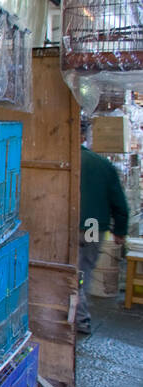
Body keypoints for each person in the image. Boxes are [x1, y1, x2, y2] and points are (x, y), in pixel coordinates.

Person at [77, 139, 130, 334]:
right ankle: (80, 317)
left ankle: (77, 316)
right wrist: (120, 230)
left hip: (68, 226)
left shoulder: (68, 161)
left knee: (71, 271)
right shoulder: (103, 165)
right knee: (83, 271)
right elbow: (119, 201)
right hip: (92, 227)